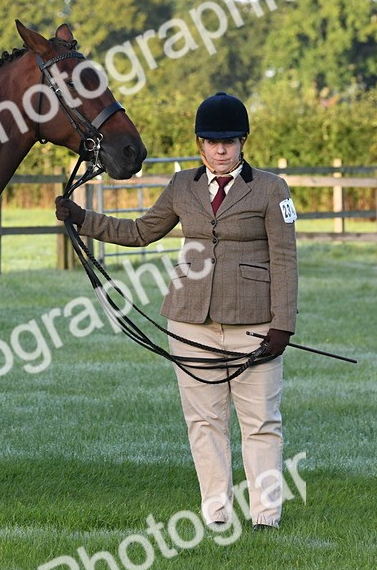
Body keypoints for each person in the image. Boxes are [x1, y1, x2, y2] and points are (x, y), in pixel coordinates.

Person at [55, 91, 298, 529]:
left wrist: (283, 325)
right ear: (200, 144)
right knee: (204, 421)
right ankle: (218, 513)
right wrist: (82, 218)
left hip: (255, 325)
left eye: (229, 141)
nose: (220, 149)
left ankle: (265, 514)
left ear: (243, 142)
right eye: (211, 141)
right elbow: (141, 231)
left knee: (260, 420)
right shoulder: (181, 186)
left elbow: (285, 259)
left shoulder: (270, 189)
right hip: (190, 322)